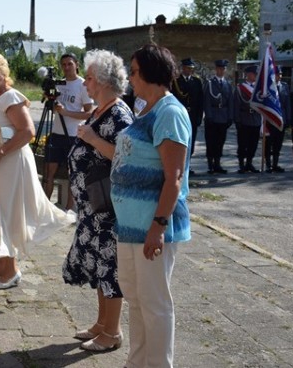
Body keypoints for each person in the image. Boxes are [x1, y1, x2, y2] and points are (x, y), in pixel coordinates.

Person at [112, 43, 192, 368]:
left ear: (149, 72)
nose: (130, 78)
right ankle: (137, 363)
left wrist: (158, 226)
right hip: (130, 226)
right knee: (136, 299)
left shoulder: (170, 113)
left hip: (152, 226)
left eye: (133, 71)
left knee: (155, 304)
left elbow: (174, 178)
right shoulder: (147, 109)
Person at [0, 52, 75, 289]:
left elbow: (27, 131)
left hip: (9, 163)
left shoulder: (10, 97)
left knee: (7, 214)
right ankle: (2, 265)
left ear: (2, 74)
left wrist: (1, 152)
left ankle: (12, 270)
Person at [63, 49, 134, 352]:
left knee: (109, 267)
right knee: (97, 266)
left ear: (104, 81)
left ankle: (113, 332)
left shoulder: (119, 114)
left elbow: (126, 158)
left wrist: (92, 139)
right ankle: (102, 324)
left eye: (89, 77)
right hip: (92, 207)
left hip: (108, 208)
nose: (85, 83)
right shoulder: (100, 109)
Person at [42, 53, 94, 211]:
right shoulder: (58, 83)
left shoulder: (82, 85)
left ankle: (68, 210)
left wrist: (66, 112)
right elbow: (51, 107)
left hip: (73, 135)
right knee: (48, 174)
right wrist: (50, 101)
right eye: (63, 64)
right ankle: (44, 209)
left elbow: (89, 113)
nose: (66, 67)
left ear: (76, 64)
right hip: (56, 133)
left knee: (73, 175)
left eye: (69, 64)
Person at [170, 58, 204, 175]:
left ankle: (187, 165)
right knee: (180, 140)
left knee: (191, 141)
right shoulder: (176, 82)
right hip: (180, 117)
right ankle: (179, 165)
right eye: (187, 68)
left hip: (193, 117)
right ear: (183, 68)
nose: (189, 70)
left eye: (191, 68)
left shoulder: (197, 82)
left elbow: (200, 101)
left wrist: (199, 116)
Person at [202, 59, 233, 174]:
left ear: (225, 70)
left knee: (220, 142)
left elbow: (230, 102)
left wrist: (230, 117)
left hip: (223, 117)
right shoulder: (210, 83)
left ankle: (218, 164)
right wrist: (209, 116)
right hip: (212, 116)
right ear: (216, 69)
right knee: (211, 142)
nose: (221, 71)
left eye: (223, 69)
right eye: (219, 68)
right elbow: (206, 101)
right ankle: (210, 165)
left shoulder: (227, 84)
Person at [234, 65, 262, 173]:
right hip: (244, 119)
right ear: (249, 74)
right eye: (254, 74)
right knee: (242, 144)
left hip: (256, 119)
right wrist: (237, 120)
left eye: (256, 74)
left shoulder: (259, 89)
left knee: (253, 144)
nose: (256, 76)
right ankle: (241, 164)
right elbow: (237, 105)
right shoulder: (240, 88)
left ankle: (249, 163)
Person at [265, 67, 292, 173]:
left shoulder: (285, 86)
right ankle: (268, 164)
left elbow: (288, 104)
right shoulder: (268, 86)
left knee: (278, 143)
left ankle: (275, 164)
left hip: (281, 118)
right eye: (277, 74)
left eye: (280, 74)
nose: (279, 76)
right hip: (270, 119)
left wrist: (288, 118)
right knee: (269, 143)